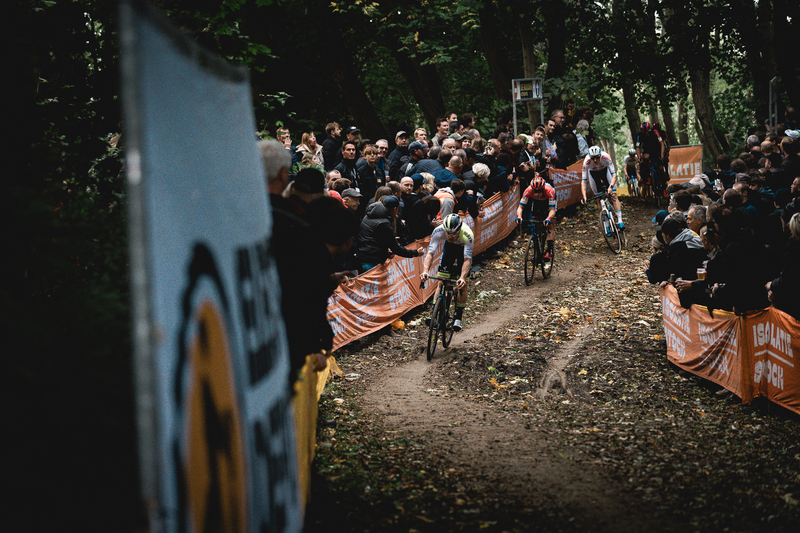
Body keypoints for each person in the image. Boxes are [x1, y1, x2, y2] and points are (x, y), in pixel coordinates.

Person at [421, 213, 474, 332]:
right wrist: (425, 271)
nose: (450, 236)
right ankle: (434, 313)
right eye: (448, 233)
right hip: (449, 249)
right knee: (440, 283)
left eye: (454, 233)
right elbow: (430, 254)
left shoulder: (467, 234)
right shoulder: (438, 231)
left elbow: (467, 259)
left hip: (462, 252)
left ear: (459, 230)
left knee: (462, 286)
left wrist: (462, 278)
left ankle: (459, 317)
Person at [357, 195, 424, 272]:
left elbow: (374, 236)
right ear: (394, 209)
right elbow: (395, 248)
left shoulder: (371, 214)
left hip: (364, 256)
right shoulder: (384, 223)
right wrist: (415, 253)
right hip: (373, 261)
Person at [581, 145, 625, 232]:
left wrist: (611, 187)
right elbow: (583, 181)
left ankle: (620, 221)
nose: (595, 160)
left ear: (600, 155)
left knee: (614, 195)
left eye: (597, 157)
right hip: (593, 174)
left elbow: (614, 175)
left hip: (605, 171)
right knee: (599, 198)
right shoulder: (586, 162)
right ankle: (606, 225)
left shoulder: (606, 157)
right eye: (593, 158)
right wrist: (584, 196)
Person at [515, 174, 556, 261]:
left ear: (543, 188)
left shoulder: (550, 191)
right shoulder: (528, 191)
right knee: (537, 225)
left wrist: (548, 218)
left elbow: (552, 210)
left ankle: (549, 250)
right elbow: (520, 207)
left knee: (550, 225)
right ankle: (538, 251)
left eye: (539, 191)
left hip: (547, 202)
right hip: (537, 203)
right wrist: (519, 216)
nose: (537, 194)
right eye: (535, 191)